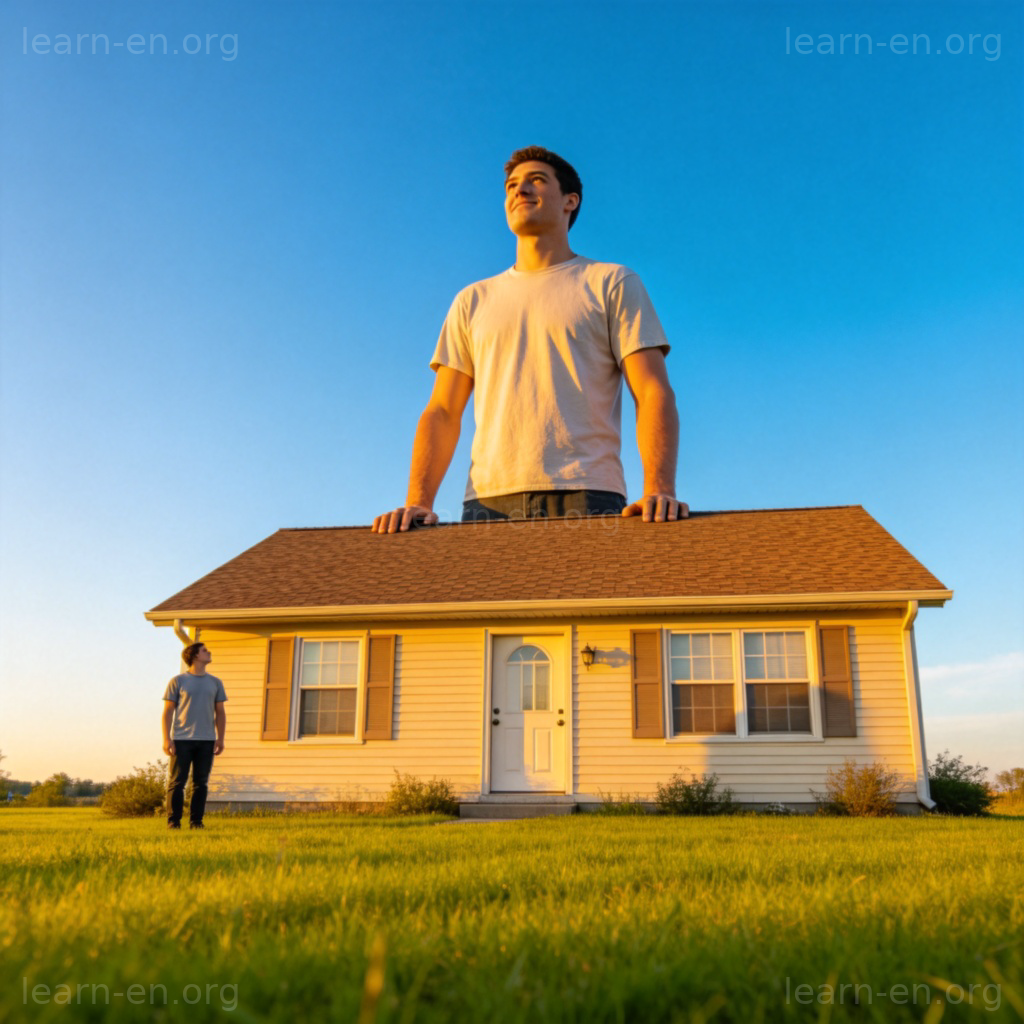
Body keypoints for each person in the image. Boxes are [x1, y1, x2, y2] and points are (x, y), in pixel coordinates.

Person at [372, 145, 688, 533]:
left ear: (570, 201)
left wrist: (659, 488)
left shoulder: (611, 282)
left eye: (536, 180)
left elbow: (653, 390)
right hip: (488, 501)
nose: (519, 191)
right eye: (511, 186)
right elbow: (442, 411)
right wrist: (418, 501)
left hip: (589, 492)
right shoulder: (472, 300)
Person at [162, 641, 227, 830]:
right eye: (205, 650)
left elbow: (220, 713)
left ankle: (196, 822)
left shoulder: (216, 682)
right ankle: (173, 822)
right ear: (195, 656)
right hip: (181, 740)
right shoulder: (178, 681)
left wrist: (220, 738)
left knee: (201, 783)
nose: (209, 652)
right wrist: (167, 738)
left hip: (207, 741)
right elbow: (168, 711)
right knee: (177, 782)